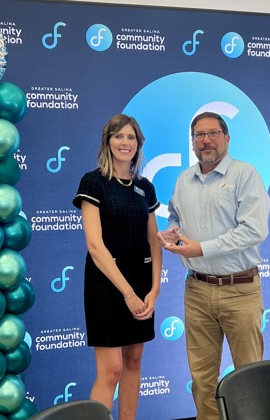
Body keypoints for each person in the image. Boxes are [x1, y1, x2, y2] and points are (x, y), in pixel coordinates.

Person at [158, 111, 270, 420]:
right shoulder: (183, 180)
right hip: (197, 290)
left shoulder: (244, 175)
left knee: (249, 376)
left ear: (227, 138)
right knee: (201, 380)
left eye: (213, 133)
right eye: (199, 135)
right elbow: (175, 216)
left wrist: (201, 248)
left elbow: (254, 230)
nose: (206, 140)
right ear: (192, 142)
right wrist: (172, 231)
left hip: (240, 290)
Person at [72, 114, 162, 420]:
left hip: (140, 283)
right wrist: (128, 294)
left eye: (131, 137)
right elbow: (95, 246)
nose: (125, 143)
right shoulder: (93, 182)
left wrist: (154, 290)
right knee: (111, 370)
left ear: (139, 144)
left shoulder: (145, 187)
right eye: (118, 136)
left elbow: (153, 242)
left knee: (134, 361)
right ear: (107, 142)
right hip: (106, 285)